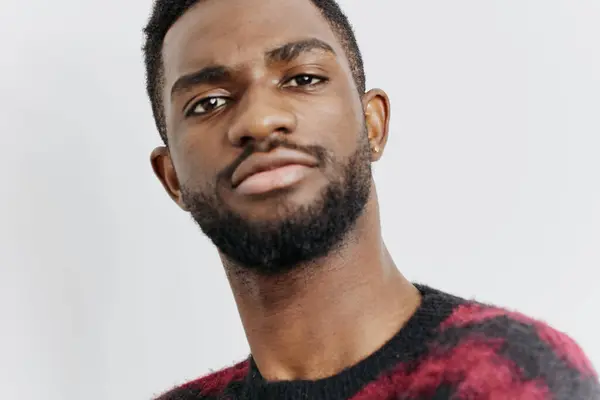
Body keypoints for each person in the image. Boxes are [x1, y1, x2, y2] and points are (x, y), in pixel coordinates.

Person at [142, 0, 599, 398]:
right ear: (173, 178)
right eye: (208, 103)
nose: (260, 120)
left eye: (302, 77)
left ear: (373, 125)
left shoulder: (508, 375)